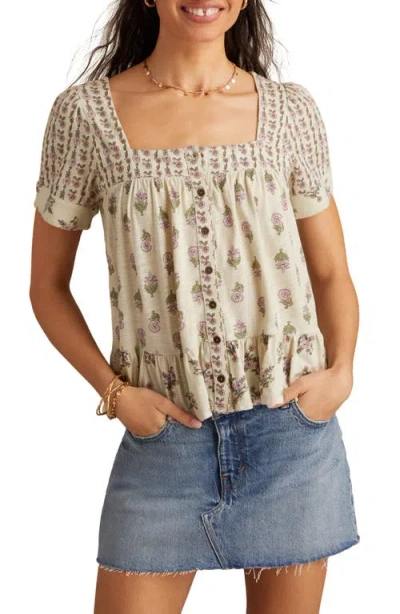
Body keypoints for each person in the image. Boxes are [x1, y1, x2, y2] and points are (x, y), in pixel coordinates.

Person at [29, 0, 360, 612]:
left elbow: (330, 271)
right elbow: (46, 287)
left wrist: (340, 374)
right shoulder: (85, 116)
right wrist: (115, 393)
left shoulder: (291, 111)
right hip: (164, 441)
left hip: (289, 434)